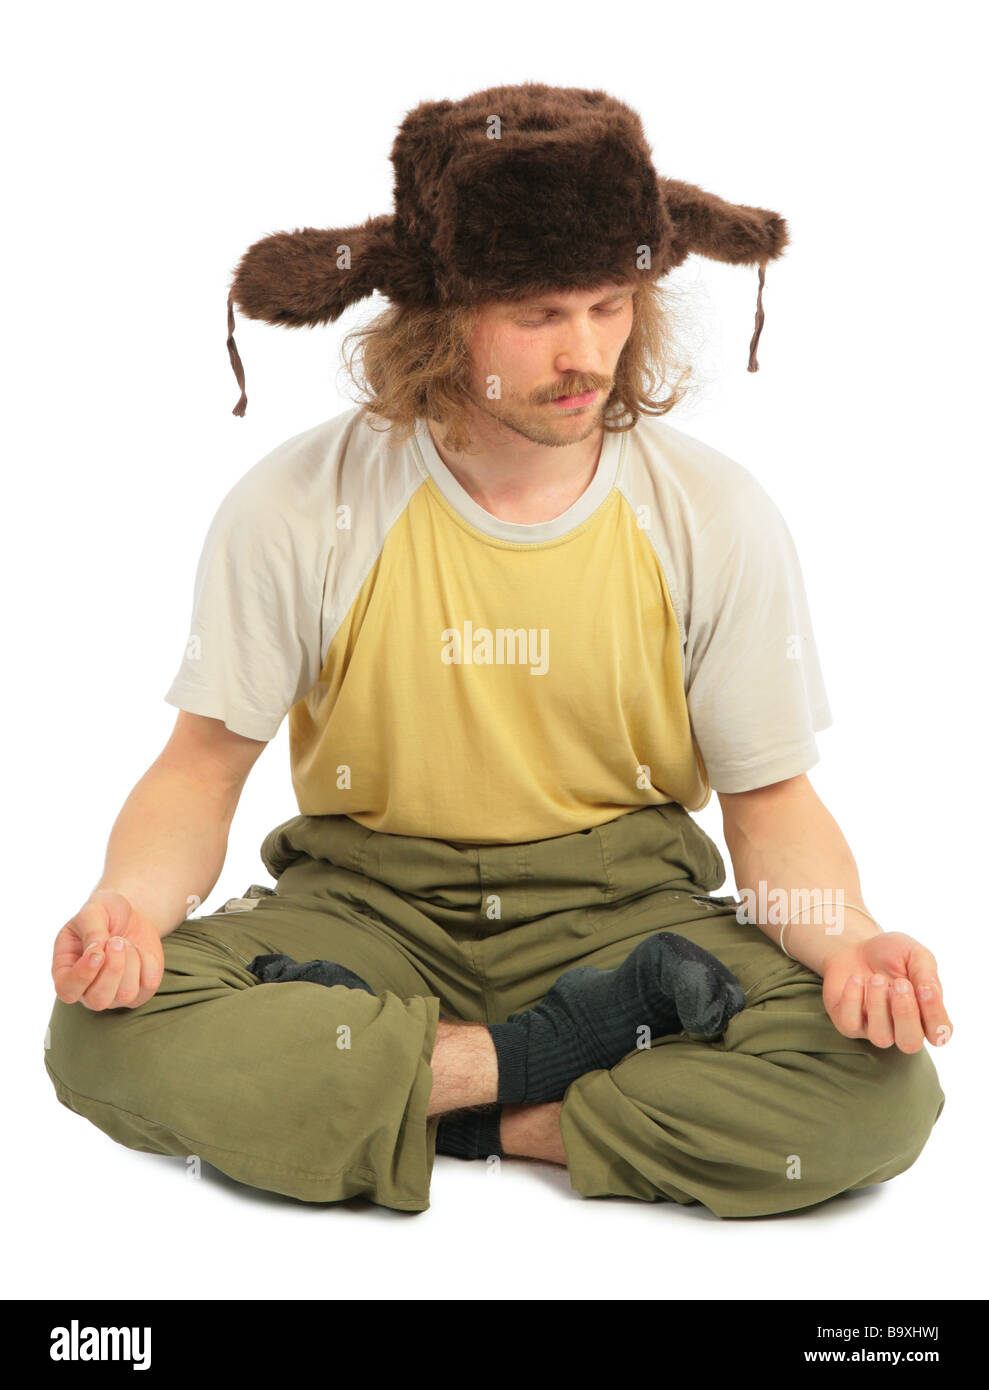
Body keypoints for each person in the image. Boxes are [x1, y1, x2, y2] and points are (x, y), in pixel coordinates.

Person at [45, 83, 949, 1217]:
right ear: (440, 314)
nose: (585, 355)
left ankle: (397, 1096)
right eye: (537, 316)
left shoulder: (711, 514)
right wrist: (127, 905)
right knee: (98, 1040)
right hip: (365, 911)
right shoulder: (295, 505)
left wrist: (849, 943)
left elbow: (768, 803)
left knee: (876, 1094)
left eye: (609, 306)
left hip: (625, 916)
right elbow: (199, 769)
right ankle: (551, 1079)